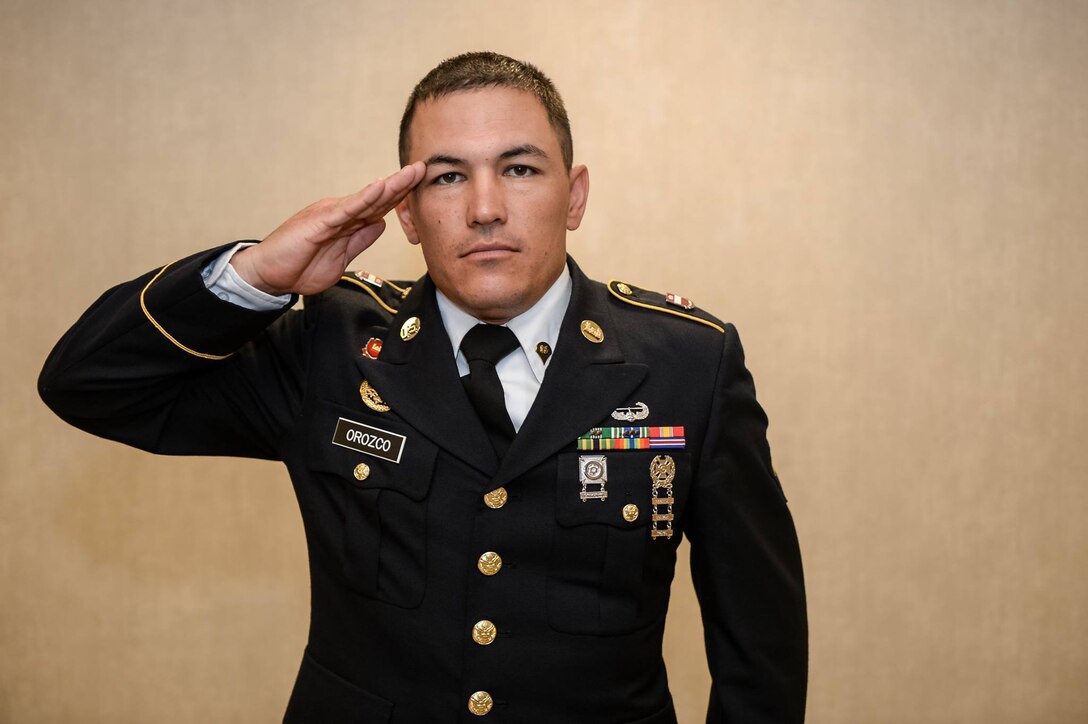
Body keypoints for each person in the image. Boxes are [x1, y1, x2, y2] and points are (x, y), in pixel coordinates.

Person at [39, 52, 807, 723]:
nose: (484, 209)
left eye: (519, 168)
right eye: (447, 177)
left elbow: (760, 647)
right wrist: (257, 274)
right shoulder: (331, 349)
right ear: (405, 212)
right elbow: (88, 384)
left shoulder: (686, 363)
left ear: (573, 195)